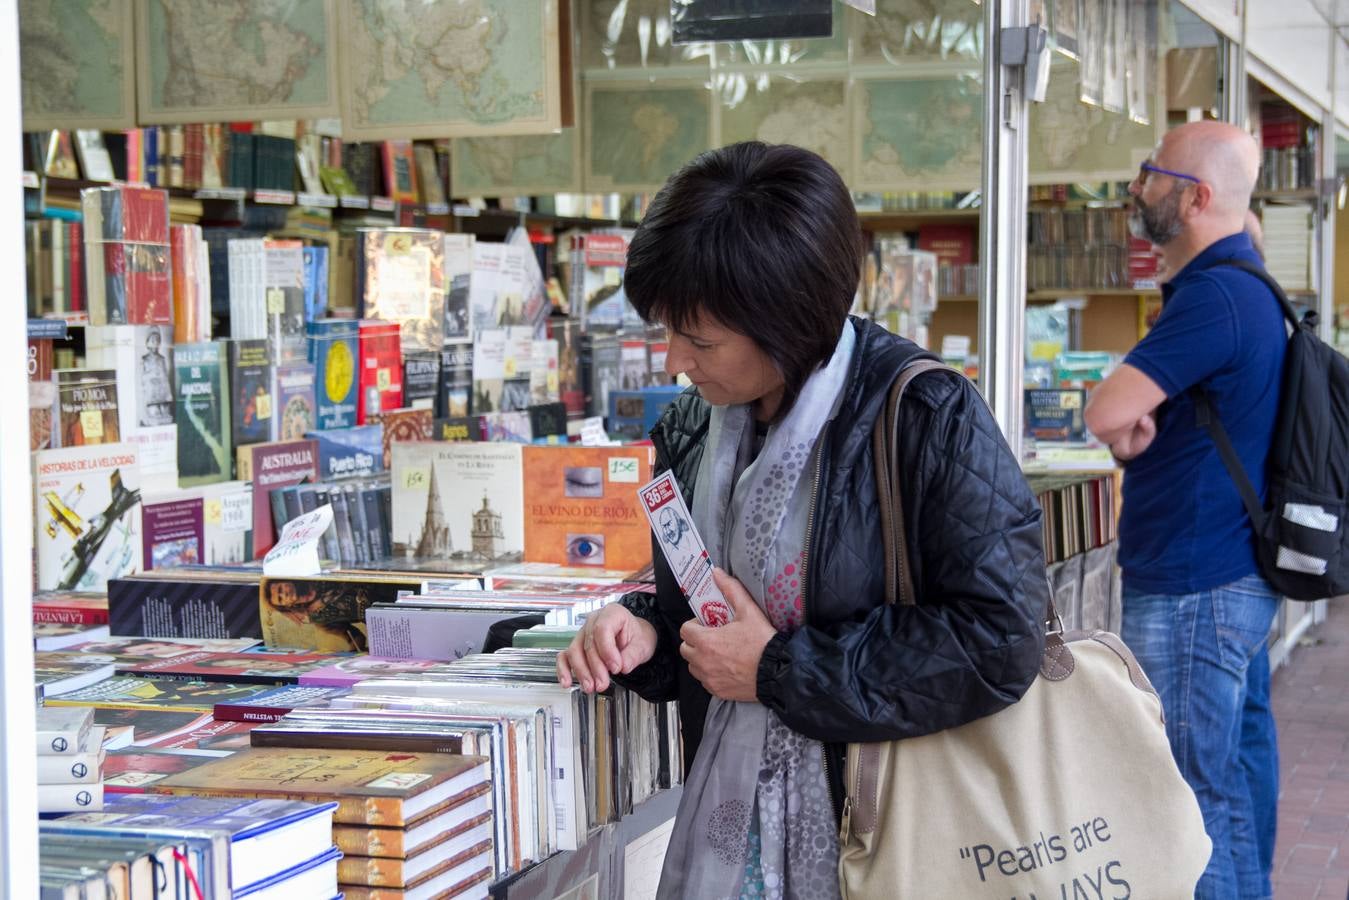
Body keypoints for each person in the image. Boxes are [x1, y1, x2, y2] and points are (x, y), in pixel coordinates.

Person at [555, 142, 1049, 899]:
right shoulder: (695, 428)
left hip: (883, 835)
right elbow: (705, 614)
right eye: (667, 332)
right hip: (731, 838)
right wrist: (646, 632)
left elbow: (999, 640)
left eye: (700, 339)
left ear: (786, 322)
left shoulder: (921, 415)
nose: (672, 363)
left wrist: (778, 670)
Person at [1083, 121, 1286, 899]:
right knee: (1226, 779)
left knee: (1189, 795)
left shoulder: (1213, 297)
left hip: (1194, 584)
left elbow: (1107, 413)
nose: (1137, 189)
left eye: (1149, 174)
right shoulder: (1248, 283)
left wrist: (1127, 424)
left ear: (1195, 196)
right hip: (1225, 573)